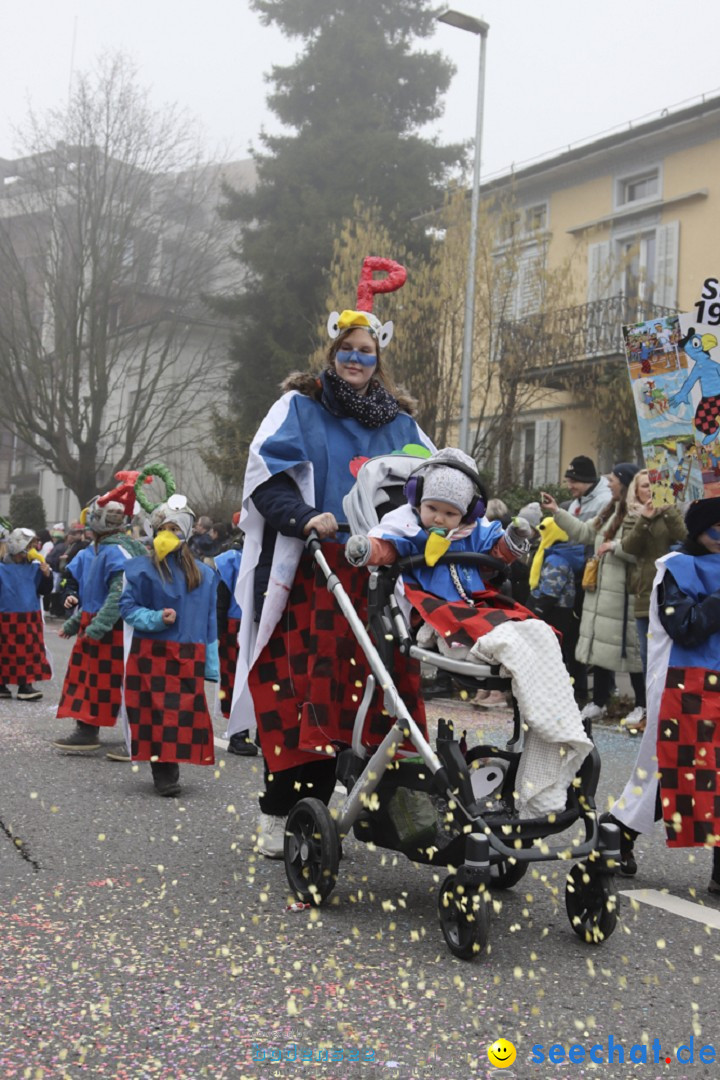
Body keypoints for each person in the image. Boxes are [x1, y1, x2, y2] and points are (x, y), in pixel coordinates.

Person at [229, 258, 433, 858]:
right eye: (348, 349)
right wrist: (303, 516)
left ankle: (398, 810)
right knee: (303, 696)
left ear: (379, 359)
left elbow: (433, 486)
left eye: (367, 351)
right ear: (332, 351)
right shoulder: (298, 407)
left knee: (387, 691)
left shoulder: (403, 423)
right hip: (319, 574)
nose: (356, 360)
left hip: (384, 579)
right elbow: (264, 480)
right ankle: (282, 810)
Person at [346, 447, 592, 816]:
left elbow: (498, 550)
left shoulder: (472, 532)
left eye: (450, 512)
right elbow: (387, 549)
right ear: (419, 502)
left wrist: (512, 539)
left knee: (539, 630)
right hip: (438, 608)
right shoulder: (409, 529)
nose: (440, 519)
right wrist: (367, 548)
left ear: (466, 513)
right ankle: (515, 670)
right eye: (433, 509)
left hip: (479, 601)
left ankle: (553, 726)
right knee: (501, 636)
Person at [605, 497, 720, 888]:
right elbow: (684, 626)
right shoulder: (676, 568)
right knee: (669, 772)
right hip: (685, 686)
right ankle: (615, 836)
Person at [119, 498, 219, 797]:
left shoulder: (205, 575)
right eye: (163, 528)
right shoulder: (139, 569)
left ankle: (170, 766)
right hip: (151, 654)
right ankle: (163, 772)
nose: (168, 533)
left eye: (174, 528)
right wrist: (154, 618)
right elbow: (127, 607)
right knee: (152, 714)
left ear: (185, 533)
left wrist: (211, 663)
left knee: (180, 714)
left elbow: (210, 619)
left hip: (188, 654)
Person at [541, 463, 644, 726]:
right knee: (601, 649)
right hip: (602, 591)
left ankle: (643, 704)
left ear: (625, 483)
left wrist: (615, 547)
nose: (608, 484)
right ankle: (599, 701)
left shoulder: (638, 513)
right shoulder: (609, 510)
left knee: (632, 650)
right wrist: (557, 512)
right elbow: (585, 533)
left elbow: (641, 549)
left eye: (612, 480)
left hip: (625, 594)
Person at [52, 495, 147, 754]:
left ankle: (125, 735)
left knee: (110, 681)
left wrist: (97, 627)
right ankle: (87, 728)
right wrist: (75, 623)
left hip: (112, 628)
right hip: (94, 621)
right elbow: (91, 594)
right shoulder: (95, 549)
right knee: (88, 679)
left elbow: (118, 594)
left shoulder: (116, 550)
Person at [619, 469, 687, 732]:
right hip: (644, 594)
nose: (650, 490)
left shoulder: (672, 511)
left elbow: (683, 537)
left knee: (670, 656)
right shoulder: (633, 515)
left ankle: (670, 712)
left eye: (654, 485)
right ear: (637, 491)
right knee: (649, 660)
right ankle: (651, 711)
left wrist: (667, 510)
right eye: (645, 486)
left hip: (672, 592)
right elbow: (629, 547)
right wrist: (644, 520)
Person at [526, 515, 586, 694]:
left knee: (551, 654)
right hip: (555, 611)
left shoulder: (557, 559)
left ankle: (554, 691)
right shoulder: (554, 554)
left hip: (554, 612)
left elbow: (551, 590)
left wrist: (535, 611)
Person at [215, 540, 257, 756]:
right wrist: (219, 630)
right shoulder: (233, 560)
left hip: (265, 621)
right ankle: (238, 733)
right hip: (236, 625)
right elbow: (221, 599)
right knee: (236, 680)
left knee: (267, 679)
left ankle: (265, 730)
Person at [0, 529, 53, 701]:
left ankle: (25, 684)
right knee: (4, 650)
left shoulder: (35, 568)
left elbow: (44, 590)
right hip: (6, 616)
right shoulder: (2, 569)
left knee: (29, 651)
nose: (33, 550)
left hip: (30, 616)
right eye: (29, 546)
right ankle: (2, 684)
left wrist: (47, 576)